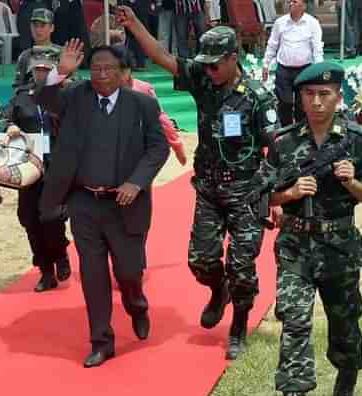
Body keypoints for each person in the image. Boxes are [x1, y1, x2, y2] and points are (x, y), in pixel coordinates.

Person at [117, 7, 279, 360]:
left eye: (216, 64)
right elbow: (161, 56)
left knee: (241, 265)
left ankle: (238, 325)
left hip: (247, 193)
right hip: (208, 188)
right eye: (205, 63)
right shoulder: (203, 79)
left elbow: (276, 148)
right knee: (200, 261)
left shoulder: (257, 97)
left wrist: (274, 195)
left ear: (234, 58)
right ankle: (217, 290)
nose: (209, 70)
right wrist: (135, 26)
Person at [254, 62, 362, 396]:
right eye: (309, 94)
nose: (316, 102)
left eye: (324, 94)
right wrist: (291, 192)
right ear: (300, 97)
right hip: (296, 244)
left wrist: (351, 182)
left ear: (339, 97)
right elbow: (262, 196)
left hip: (340, 245)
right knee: (294, 320)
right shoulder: (283, 142)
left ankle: (346, 380)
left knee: (344, 320)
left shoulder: (357, 140)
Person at [36, 41, 169, 368]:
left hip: (125, 205)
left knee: (128, 272)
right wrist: (61, 72)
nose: (102, 75)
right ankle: (101, 341)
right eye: (96, 69)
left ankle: (136, 303)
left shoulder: (142, 106)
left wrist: (136, 182)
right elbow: (45, 100)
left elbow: (157, 150)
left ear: (125, 74)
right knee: (93, 276)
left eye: (110, 69)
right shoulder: (76, 98)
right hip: (84, 203)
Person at [3, 46, 72, 292]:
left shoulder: (67, 93)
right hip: (31, 165)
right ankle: (45, 270)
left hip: (58, 164)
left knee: (52, 216)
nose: (41, 73)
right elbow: (7, 115)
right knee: (29, 217)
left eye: (46, 68)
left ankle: (61, 252)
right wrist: (11, 126)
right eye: (38, 68)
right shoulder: (23, 96)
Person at [118, 46, 186, 165]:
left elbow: (161, 118)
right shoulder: (102, 91)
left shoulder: (144, 89)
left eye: (121, 70)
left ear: (129, 69)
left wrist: (177, 146)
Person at [262, 0, 323, 126]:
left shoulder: (312, 23)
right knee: (285, 103)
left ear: (304, 5)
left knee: (303, 105)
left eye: (294, 1)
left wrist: (319, 70)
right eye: (289, 1)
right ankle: (285, 132)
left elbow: (317, 49)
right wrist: (266, 64)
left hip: (305, 70)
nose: (290, 3)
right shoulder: (280, 23)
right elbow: (272, 45)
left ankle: (300, 134)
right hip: (284, 69)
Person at [13, 8, 62, 88]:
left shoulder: (62, 53)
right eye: (35, 26)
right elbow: (17, 88)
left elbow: (71, 86)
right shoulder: (25, 56)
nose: (38, 30)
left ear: (52, 28)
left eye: (42, 26)